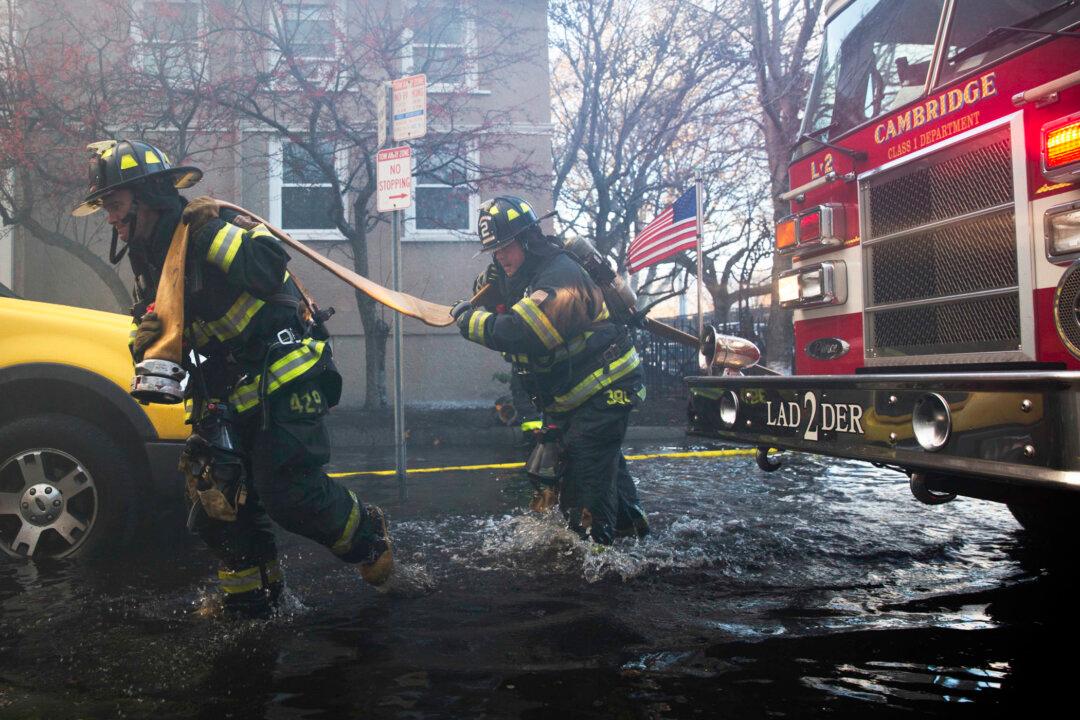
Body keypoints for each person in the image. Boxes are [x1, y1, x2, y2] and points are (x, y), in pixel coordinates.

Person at [72, 139, 392, 616]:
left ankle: (367, 537)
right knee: (217, 502)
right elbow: (154, 321)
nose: (111, 219)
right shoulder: (148, 253)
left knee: (288, 493)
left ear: (148, 195)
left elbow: (266, 268)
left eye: (115, 206)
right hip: (221, 388)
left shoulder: (201, 229)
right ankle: (253, 602)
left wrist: (221, 232)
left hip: (281, 373)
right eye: (106, 209)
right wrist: (147, 343)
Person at [452, 196, 649, 544]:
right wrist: (490, 285)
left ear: (528, 239)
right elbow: (493, 290)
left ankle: (597, 561)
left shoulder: (562, 276)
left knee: (583, 473)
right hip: (574, 395)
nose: (500, 256)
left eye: (506, 247)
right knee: (599, 466)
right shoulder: (520, 271)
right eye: (495, 251)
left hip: (606, 389)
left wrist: (471, 321)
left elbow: (524, 332)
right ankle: (632, 533)